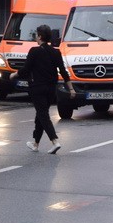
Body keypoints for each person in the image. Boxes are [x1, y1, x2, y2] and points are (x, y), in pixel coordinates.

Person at [17, 24, 74, 154]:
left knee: (43, 115)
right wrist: (71, 89)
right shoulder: (55, 52)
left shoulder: (34, 51)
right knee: (40, 115)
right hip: (51, 89)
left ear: (40, 36)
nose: (35, 37)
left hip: (37, 88)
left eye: (36, 35)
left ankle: (54, 141)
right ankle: (35, 143)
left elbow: (26, 69)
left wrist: (15, 74)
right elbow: (63, 72)